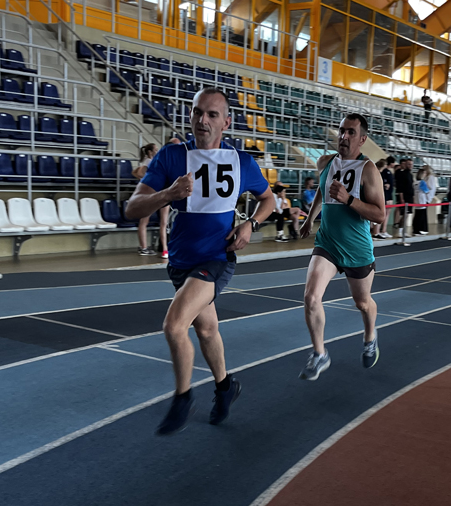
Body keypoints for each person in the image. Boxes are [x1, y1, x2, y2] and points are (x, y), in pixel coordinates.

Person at [126, 87, 275, 435]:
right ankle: (226, 386)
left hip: (217, 256)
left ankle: (182, 398)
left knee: (174, 325)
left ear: (226, 122)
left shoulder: (242, 161)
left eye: (211, 114)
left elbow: (268, 200)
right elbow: (132, 208)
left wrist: (250, 225)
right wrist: (168, 194)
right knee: (206, 329)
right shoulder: (171, 156)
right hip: (181, 259)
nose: (202, 120)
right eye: (196, 112)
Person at [298, 112, 385, 380]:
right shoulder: (326, 162)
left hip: (357, 248)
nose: (344, 136)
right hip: (327, 243)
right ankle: (319, 353)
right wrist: (310, 218)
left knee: (362, 302)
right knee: (311, 297)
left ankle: (370, 336)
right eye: (341, 130)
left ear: (362, 139)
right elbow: (323, 189)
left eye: (350, 132)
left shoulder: (368, 170)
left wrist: (349, 200)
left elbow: (380, 214)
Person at [132, 144, 162, 256]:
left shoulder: (148, 161)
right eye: (155, 150)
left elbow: (134, 172)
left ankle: (143, 246)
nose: (157, 151)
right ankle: (143, 247)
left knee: (145, 221)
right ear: (150, 152)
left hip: (147, 193)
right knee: (144, 221)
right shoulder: (149, 161)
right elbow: (140, 173)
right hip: (146, 194)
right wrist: (147, 181)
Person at [372, 156, 395, 239]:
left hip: (381, 195)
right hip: (378, 195)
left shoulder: (379, 173)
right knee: (378, 214)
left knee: (381, 214)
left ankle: (377, 232)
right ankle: (375, 232)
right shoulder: (377, 173)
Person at [394, 157, 414, 235]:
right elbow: (400, 188)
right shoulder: (402, 174)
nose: (410, 166)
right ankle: (400, 229)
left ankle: (402, 230)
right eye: (409, 164)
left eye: (411, 164)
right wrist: (401, 198)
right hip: (405, 197)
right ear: (405, 165)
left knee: (407, 214)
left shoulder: (410, 175)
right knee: (405, 214)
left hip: (410, 196)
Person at [413, 168, 430, 235]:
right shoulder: (422, 182)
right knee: (422, 215)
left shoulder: (415, 182)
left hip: (416, 199)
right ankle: (421, 229)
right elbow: (426, 191)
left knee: (417, 215)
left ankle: (416, 229)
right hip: (422, 199)